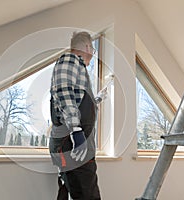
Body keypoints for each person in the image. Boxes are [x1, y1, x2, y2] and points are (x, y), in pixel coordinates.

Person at [49, 31, 106, 200]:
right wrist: (76, 130)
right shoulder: (70, 60)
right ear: (87, 47)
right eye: (93, 51)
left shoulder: (77, 68)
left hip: (73, 147)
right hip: (72, 145)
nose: (92, 55)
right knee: (87, 195)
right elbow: (64, 91)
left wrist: (98, 99)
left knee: (75, 191)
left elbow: (76, 102)